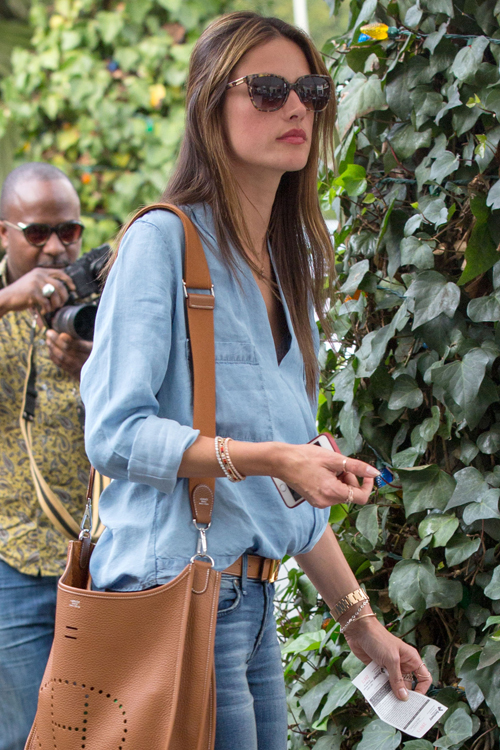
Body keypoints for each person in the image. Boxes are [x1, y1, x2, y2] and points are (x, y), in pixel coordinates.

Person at [81, 12, 432, 750]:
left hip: (251, 606)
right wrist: (273, 457)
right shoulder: (162, 242)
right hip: (172, 601)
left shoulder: (289, 270)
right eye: (267, 88)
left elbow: (291, 484)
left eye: (310, 88)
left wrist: (362, 624)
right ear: (211, 104)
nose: (297, 106)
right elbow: (113, 433)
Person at [0, 163, 92, 750]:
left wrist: (92, 368)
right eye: (38, 233)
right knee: (24, 736)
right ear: (3, 234)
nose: (56, 247)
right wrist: (11, 298)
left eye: (69, 231)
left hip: (100, 562)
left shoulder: (102, 303)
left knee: (106, 729)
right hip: (10, 558)